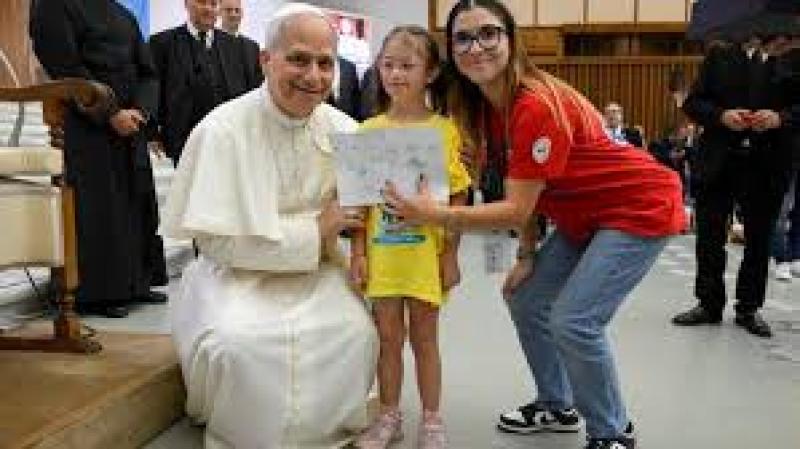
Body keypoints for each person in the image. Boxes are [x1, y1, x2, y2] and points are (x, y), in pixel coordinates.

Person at [382, 2, 686, 448]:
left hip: (638, 206)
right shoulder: (485, 107)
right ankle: (557, 404)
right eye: (463, 38)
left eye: (489, 33)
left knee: (575, 321)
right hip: (583, 214)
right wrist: (526, 255)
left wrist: (435, 215)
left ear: (511, 39)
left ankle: (612, 432)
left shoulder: (535, 104)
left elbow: (515, 209)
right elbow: (520, 186)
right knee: (526, 298)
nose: (476, 47)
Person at [160, 3, 377, 447]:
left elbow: (367, 218)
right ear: (266, 59)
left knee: (355, 334)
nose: (313, 76)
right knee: (237, 343)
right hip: (236, 277)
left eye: (325, 63)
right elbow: (214, 242)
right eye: (298, 59)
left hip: (319, 274)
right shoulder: (221, 130)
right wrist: (315, 231)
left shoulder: (347, 130)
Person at [350, 26, 471, 449]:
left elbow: (458, 194)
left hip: (425, 257)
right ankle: (389, 416)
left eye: (407, 65)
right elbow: (360, 203)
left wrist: (450, 254)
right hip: (383, 256)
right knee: (387, 339)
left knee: (424, 339)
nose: (396, 74)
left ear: (430, 73)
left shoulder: (444, 130)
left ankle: (432, 420)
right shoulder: (367, 131)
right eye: (388, 65)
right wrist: (359, 252)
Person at [30, 0, 168, 318]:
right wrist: (110, 113)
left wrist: (141, 111)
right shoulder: (54, 6)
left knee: (136, 205)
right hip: (86, 126)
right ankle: (98, 293)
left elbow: (148, 72)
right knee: (98, 208)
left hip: (130, 125)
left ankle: (136, 283)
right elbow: (65, 67)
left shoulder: (124, 14)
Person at [672, 25, 799, 337]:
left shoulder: (793, 59)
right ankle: (708, 303)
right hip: (719, 161)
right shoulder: (720, 55)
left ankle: (749, 308)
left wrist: (780, 118)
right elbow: (694, 103)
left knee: (759, 239)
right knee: (709, 235)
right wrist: (721, 116)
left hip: (768, 163)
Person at [149, 0, 262, 165]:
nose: (208, 9)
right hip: (183, 141)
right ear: (187, 4)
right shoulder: (161, 43)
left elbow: (249, 93)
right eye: (202, 2)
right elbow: (153, 89)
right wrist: (152, 132)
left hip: (229, 140)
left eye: (213, 3)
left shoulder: (235, 46)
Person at [218, 0, 261, 83]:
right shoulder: (208, 44)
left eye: (237, 10)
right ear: (219, 12)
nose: (233, 14)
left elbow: (257, 81)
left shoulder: (253, 47)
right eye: (228, 10)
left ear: (242, 14)